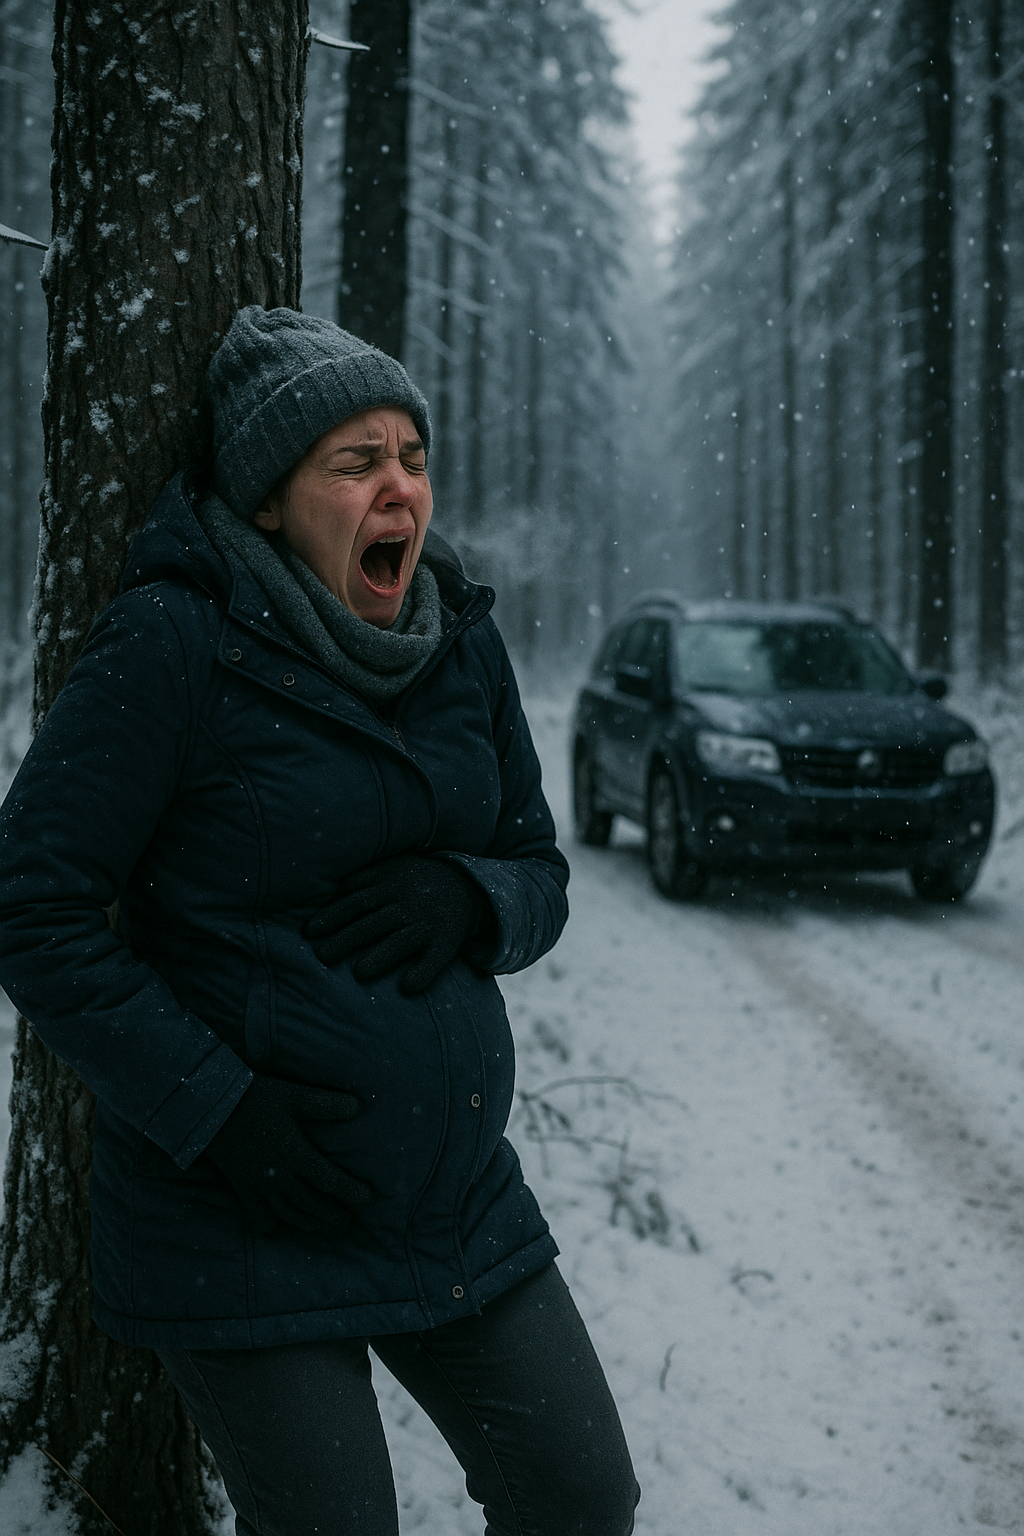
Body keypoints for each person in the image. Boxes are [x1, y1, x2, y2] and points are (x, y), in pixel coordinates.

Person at [0, 308, 639, 1535]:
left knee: (581, 1496)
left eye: (413, 456)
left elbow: (538, 867)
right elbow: (33, 906)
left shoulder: (458, 640)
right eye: (356, 462)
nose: (400, 486)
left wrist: (472, 897)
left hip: (453, 1197)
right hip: (241, 1212)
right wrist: (217, 1110)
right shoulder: (175, 640)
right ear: (265, 502)